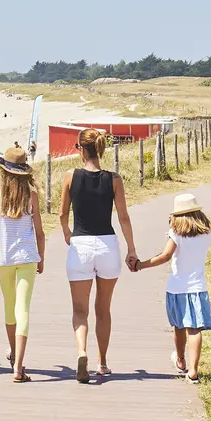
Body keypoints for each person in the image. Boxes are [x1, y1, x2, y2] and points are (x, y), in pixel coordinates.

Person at [59, 128, 138, 383]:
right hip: (107, 245)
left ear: (82, 149)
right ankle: (102, 362)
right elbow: (123, 217)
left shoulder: (70, 176)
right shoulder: (114, 179)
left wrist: (67, 233)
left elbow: (62, 214)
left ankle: (82, 351)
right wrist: (132, 249)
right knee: (103, 308)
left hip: (80, 245)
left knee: (80, 310)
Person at [133, 193, 211, 383]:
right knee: (194, 329)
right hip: (198, 287)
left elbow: (165, 255)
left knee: (178, 325)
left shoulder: (176, 234)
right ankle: (193, 370)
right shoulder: (207, 234)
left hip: (177, 287)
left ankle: (180, 359)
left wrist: (140, 265)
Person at [0, 146, 45, 382]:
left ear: (4, 171)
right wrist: (41, 257)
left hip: (3, 258)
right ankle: (18, 365)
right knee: (23, 308)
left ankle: (14, 357)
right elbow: (39, 232)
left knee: (10, 307)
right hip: (27, 257)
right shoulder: (31, 194)